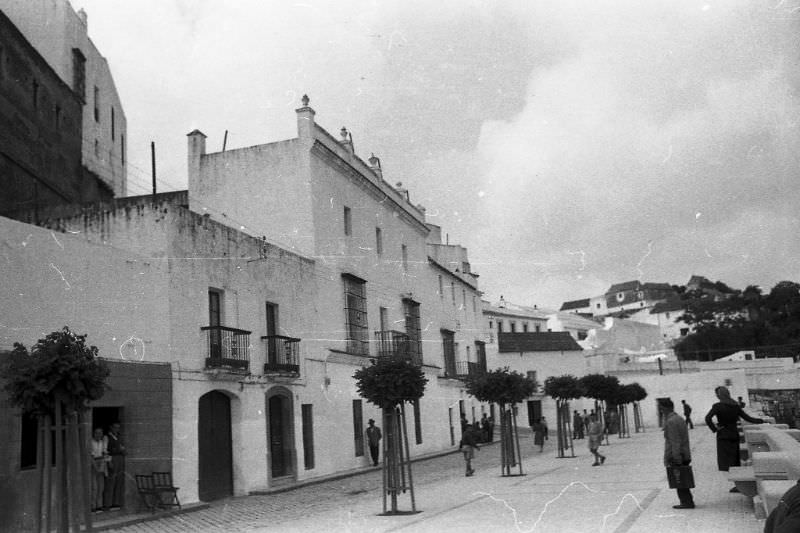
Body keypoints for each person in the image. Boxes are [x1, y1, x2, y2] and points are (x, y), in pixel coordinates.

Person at [705, 385, 764, 493]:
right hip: (734, 435)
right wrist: (761, 421)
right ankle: (738, 484)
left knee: (726, 462)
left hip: (723, 435)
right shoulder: (735, 406)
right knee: (735, 459)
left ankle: (737, 484)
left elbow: (707, 418)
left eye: (717, 394)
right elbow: (748, 418)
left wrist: (715, 429)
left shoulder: (717, 406)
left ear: (719, 395)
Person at [660, 398, 695, 509]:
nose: (660, 411)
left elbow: (675, 441)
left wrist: (676, 458)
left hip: (678, 455)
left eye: (661, 408)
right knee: (683, 480)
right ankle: (687, 501)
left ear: (665, 408)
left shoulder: (671, 421)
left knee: (679, 480)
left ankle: (686, 502)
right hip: (684, 453)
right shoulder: (679, 418)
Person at [103, 422, 126, 510]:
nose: (116, 429)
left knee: (119, 480)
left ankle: (116, 502)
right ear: (111, 428)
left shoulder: (119, 437)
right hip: (112, 458)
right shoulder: (107, 437)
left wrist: (123, 450)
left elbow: (123, 449)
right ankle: (107, 503)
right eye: (115, 427)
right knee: (111, 480)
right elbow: (105, 450)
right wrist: (109, 462)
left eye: (118, 428)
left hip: (119, 458)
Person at [90, 427, 109, 513]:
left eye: (100, 433)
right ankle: (93, 506)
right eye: (97, 433)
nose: (99, 435)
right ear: (94, 433)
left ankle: (99, 505)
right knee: (94, 486)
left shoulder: (102, 442)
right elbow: (91, 456)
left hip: (101, 463)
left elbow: (105, 453)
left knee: (101, 486)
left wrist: (104, 462)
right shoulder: (91, 442)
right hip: (93, 463)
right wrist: (96, 467)